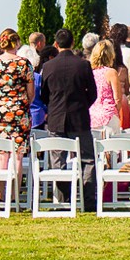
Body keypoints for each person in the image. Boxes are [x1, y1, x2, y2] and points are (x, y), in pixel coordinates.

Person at [38, 27, 98, 210]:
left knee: (58, 160)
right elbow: (93, 93)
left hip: (56, 117)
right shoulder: (83, 65)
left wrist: (53, 107)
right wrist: (82, 105)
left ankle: (64, 201)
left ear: (56, 44)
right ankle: (88, 201)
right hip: (79, 116)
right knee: (87, 159)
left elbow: (44, 94)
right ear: (73, 43)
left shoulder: (48, 66)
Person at [0, 28, 34, 189]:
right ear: (17, 42)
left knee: (0, 156)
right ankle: (14, 197)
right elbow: (31, 93)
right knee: (17, 156)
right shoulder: (23, 63)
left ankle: (0, 197)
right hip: (19, 112)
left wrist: (2, 102)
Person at [88, 40, 125, 131]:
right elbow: (118, 99)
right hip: (108, 115)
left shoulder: (90, 72)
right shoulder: (111, 72)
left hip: (92, 115)